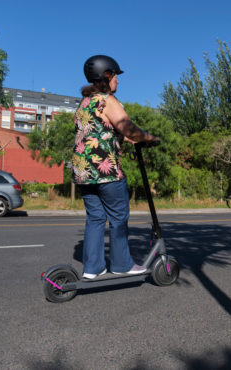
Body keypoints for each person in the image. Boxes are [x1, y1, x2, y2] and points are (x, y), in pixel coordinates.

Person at [72, 55, 159, 279]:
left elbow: (106, 131)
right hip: (107, 171)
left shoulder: (84, 103)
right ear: (106, 76)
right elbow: (128, 128)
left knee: (95, 218)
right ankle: (122, 264)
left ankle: (93, 269)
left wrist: (130, 139)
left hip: (83, 172)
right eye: (116, 76)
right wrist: (149, 137)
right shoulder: (106, 100)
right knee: (119, 217)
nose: (118, 81)